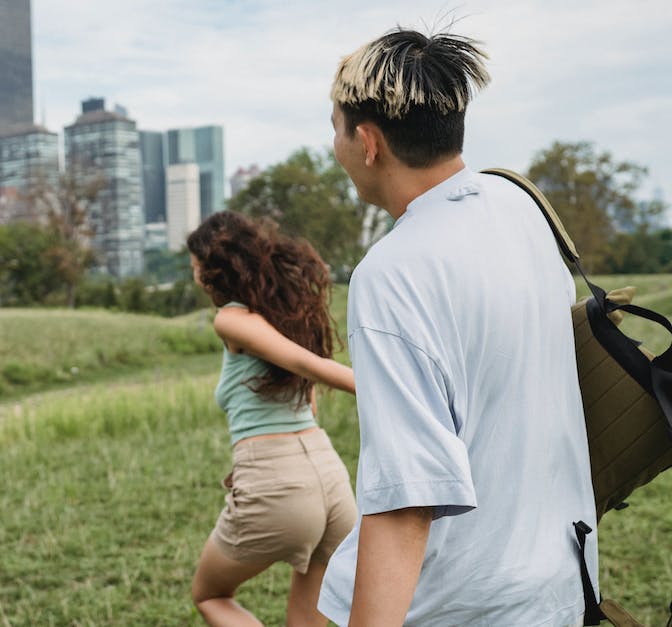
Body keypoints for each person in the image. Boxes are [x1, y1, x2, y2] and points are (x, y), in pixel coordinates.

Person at [317, 29, 598, 626]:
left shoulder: (391, 275)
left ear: (367, 142)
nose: (334, 145)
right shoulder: (522, 208)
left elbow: (407, 500)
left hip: (460, 606)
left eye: (336, 128)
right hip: (560, 586)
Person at [187, 211, 358, 627]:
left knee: (209, 595)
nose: (192, 272)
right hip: (331, 480)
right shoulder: (285, 321)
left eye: (193, 263)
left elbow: (304, 364)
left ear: (211, 269)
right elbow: (308, 396)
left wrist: (381, 386)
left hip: (278, 483)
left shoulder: (231, 319)